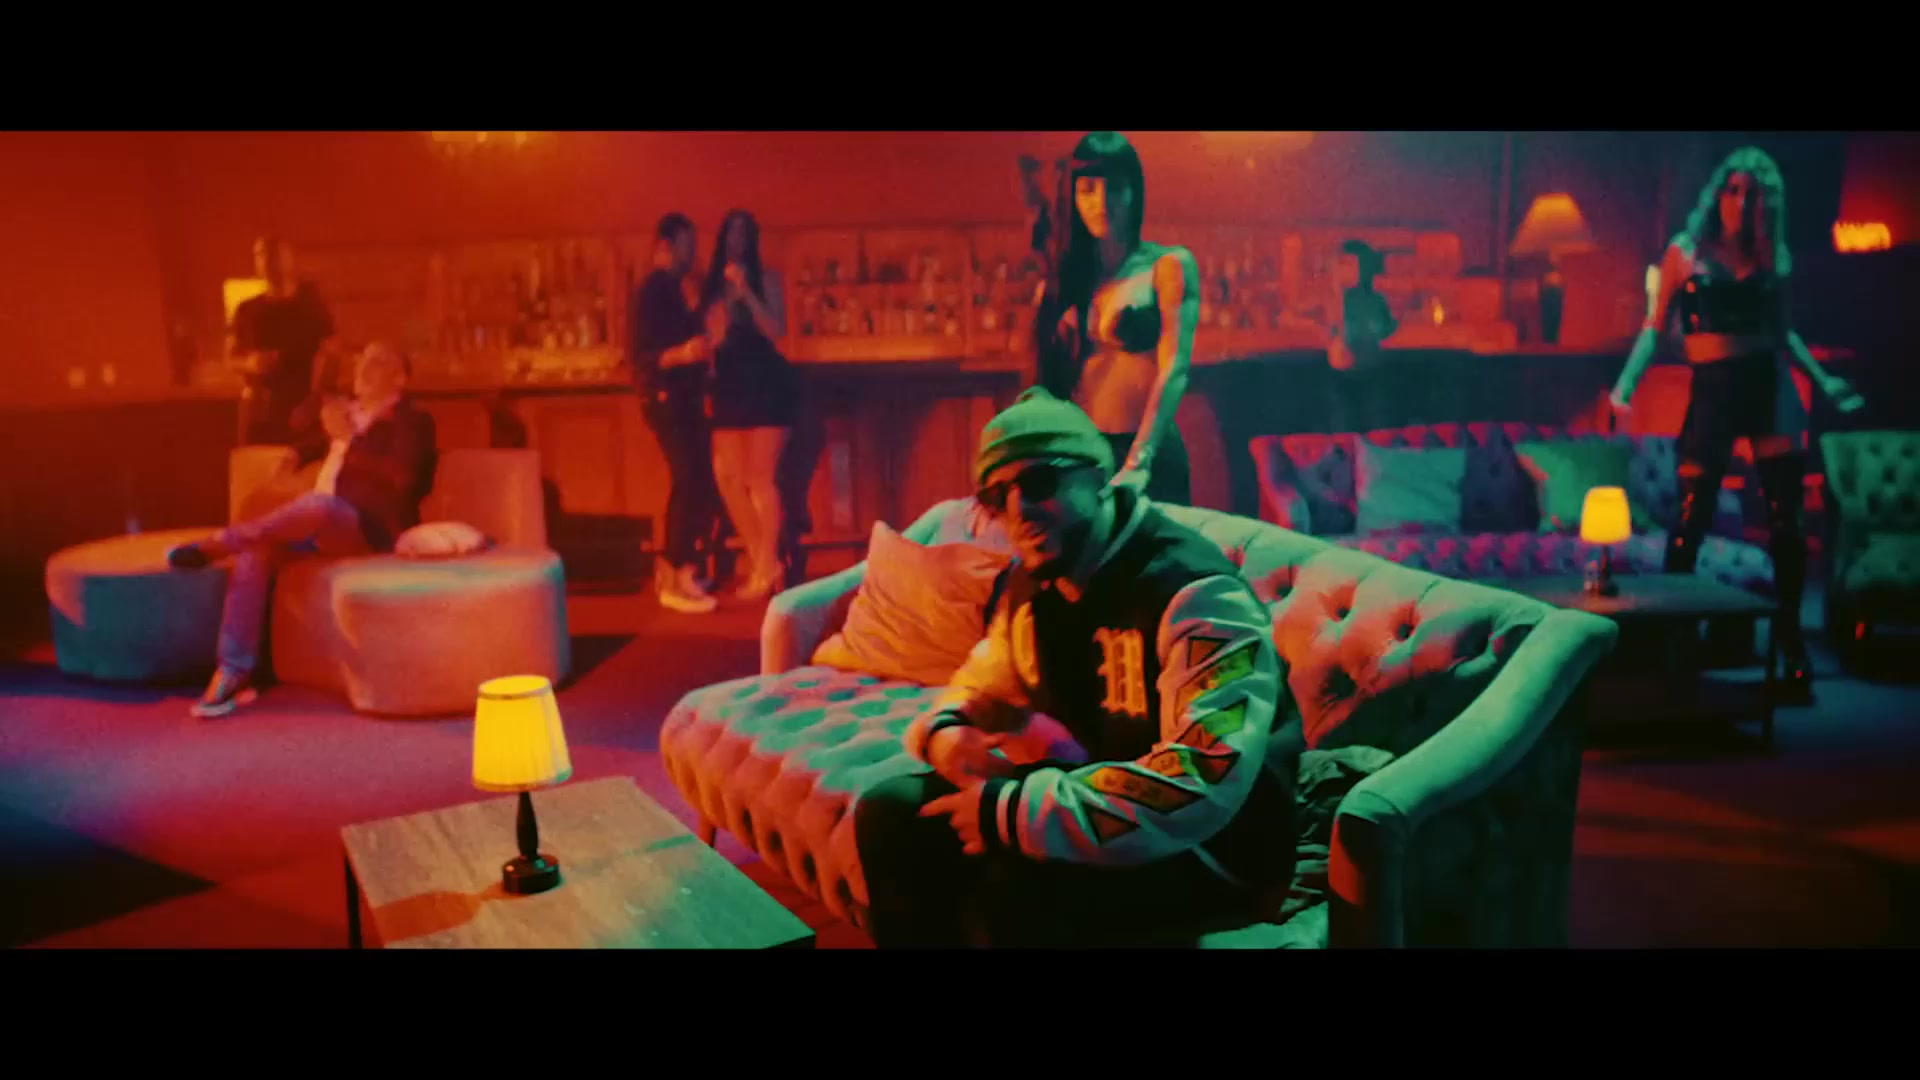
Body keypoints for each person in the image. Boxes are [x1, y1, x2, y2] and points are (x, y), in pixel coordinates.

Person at [852, 388, 1303, 947]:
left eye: (1040, 481)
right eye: (996, 497)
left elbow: (1201, 776)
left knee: (1012, 883)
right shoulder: (1034, 585)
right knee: (891, 814)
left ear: (1098, 477)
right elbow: (982, 677)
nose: (1018, 509)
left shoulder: (1196, 593)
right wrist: (948, 734)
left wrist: (1010, 813)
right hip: (1104, 803)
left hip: (1215, 848)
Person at [1610, 146, 1865, 702]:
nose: (1742, 201)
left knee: (1785, 524)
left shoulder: (1772, 257)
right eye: (1733, 190)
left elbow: (1783, 334)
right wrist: (1625, 385)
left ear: (1767, 202)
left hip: (1767, 386)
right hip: (1712, 391)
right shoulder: (1685, 252)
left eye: (1754, 193)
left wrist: (1824, 382)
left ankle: (1791, 646)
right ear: (1717, 194)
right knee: (1690, 518)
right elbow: (1654, 327)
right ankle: (1675, 643)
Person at [167, 342, 438, 718]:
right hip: (319, 531)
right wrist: (298, 451)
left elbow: (403, 479)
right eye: (362, 360)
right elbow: (302, 432)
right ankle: (232, 670)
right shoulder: (348, 415)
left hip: (369, 531)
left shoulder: (412, 422)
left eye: (378, 362)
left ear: (400, 378)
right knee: (256, 551)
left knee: (318, 505)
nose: (364, 368)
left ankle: (218, 543)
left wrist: (353, 439)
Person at [1031, 131, 1199, 506]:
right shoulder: (1058, 284)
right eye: (1088, 189)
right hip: (1081, 455)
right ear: (1072, 196)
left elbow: (1175, 369)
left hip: (1147, 451)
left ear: (1134, 193)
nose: (1101, 203)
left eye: (1115, 188)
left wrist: (1140, 460)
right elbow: (1042, 386)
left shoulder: (1167, 266)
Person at [699, 209, 798, 601]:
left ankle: (766, 565)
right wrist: (714, 327)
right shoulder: (711, 287)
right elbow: (711, 340)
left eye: (744, 234)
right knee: (727, 477)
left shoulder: (766, 279)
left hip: (764, 380)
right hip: (728, 383)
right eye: (731, 233)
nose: (737, 241)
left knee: (760, 477)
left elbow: (776, 330)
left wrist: (747, 294)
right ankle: (764, 560)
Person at [632, 212, 722, 615]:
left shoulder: (672, 289)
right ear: (665, 246)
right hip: (665, 396)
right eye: (687, 246)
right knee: (688, 478)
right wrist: (685, 353)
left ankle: (682, 569)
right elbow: (640, 357)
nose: (693, 255)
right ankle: (673, 574)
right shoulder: (653, 291)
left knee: (695, 479)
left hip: (681, 397)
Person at [229, 236, 338, 445]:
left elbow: (332, 355)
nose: (267, 261)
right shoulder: (246, 311)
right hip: (260, 411)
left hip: (303, 408)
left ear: (290, 259)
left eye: (274, 254)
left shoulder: (312, 307)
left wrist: (313, 403)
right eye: (261, 255)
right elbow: (231, 357)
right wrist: (250, 363)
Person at [1327, 239, 1398, 432]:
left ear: (1364, 268)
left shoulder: (1375, 300)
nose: (1344, 270)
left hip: (1370, 372)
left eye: (1350, 264)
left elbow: (1385, 329)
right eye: (1341, 264)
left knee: (1375, 423)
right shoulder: (1333, 299)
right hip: (1341, 376)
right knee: (1343, 426)